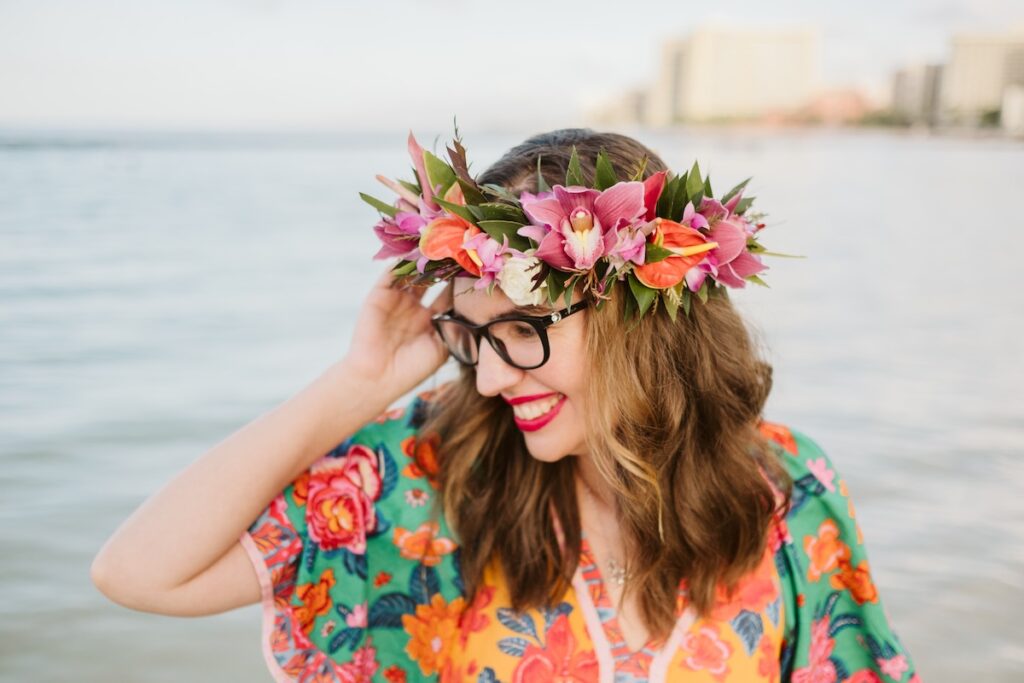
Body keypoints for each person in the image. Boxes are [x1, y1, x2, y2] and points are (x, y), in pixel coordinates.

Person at [92, 128, 920, 682]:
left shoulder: (787, 491)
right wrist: (361, 380)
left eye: (521, 331)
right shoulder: (427, 477)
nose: (488, 380)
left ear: (639, 313)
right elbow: (138, 572)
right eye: (470, 337)